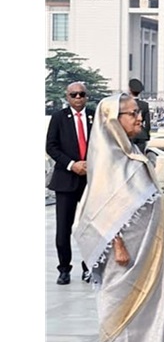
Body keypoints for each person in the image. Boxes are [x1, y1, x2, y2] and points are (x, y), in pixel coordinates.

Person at [72, 93, 164, 342]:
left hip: (148, 250)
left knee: (150, 310)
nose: (139, 118)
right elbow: (99, 208)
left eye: (138, 112)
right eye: (131, 114)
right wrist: (119, 245)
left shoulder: (130, 154)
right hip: (125, 255)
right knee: (121, 310)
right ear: (113, 122)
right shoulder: (109, 160)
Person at [46, 81, 94, 285]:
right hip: (66, 180)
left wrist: (91, 164)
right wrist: (72, 164)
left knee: (90, 227)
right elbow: (51, 147)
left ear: (86, 96)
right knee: (63, 228)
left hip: (91, 181)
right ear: (67, 97)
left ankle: (89, 267)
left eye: (81, 94)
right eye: (73, 95)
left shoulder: (94, 117)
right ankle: (64, 268)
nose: (77, 98)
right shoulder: (59, 118)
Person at [128, 78, 151, 153]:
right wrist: (147, 135)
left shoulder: (125, 104)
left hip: (129, 134)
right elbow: (148, 123)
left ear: (130, 89)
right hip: (141, 134)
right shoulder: (145, 105)